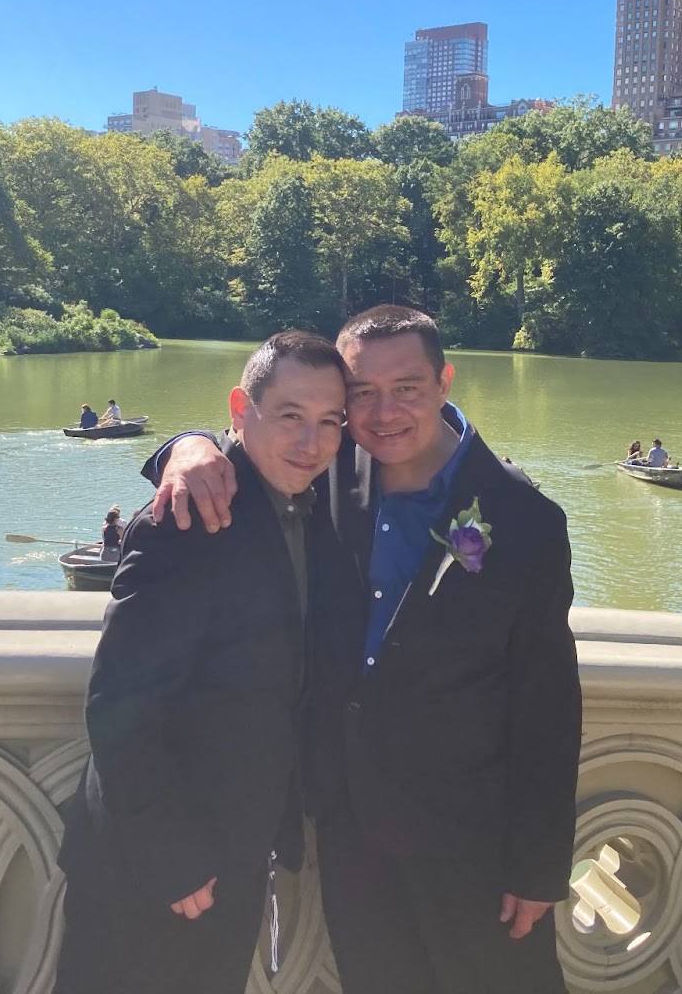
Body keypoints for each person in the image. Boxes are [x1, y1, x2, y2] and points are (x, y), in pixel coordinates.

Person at [145, 305, 580, 994]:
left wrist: (538, 864)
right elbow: (256, 430)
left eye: (406, 387)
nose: (382, 413)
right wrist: (187, 445)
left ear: (444, 383)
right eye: (360, 395)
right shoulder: (327, 471)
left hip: (472, 842)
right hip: (349, 829)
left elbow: (548, 705)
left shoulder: (523, 518)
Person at [54, 331, 350, 994]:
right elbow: (118, 704)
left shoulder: (313, 505)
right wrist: (171, 858)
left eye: (331, 421)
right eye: (292, 417)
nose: (313, 442)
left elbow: (414, 425)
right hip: (153, 864)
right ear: (241, 410)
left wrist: (186, 440)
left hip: (237, 856)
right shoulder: (185, 517)